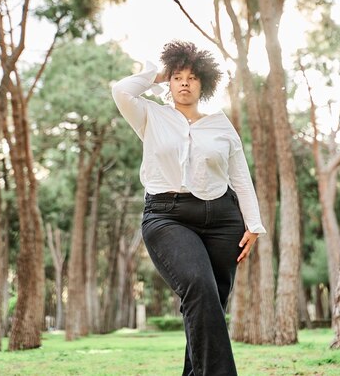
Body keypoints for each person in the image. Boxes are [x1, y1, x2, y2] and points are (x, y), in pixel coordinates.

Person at [112, 40, 266, 376]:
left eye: (193, 77)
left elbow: (240, 178)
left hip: (224, 221)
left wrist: (253, 225)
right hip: (168, 216)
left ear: (204, 83)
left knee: (207, 308)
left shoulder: (221, 125)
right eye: (179, 76)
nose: (185, 82)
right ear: (170, 81)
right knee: (197, 286)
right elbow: (122, 90)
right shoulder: (150, 115)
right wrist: (157, 73)